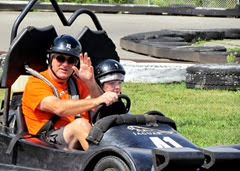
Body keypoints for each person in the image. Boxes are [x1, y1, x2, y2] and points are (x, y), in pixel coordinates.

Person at [22, 34, 118, 151]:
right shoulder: (36, 83)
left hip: (79, 137)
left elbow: (98, 107)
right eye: (60, 59)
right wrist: (98, 100)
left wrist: (91, 82)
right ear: (50, 59)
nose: (65, 64)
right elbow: (59, 108)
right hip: (47, 141)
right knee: (80, 125)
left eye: (71, 60)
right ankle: (105, 162)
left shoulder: (77, 82)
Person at [90, 59, 129, 123]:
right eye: (112, 83)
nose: (118, 87)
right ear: (100, 84)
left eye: (119, 82)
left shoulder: (119, 104)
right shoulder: (92, 103)